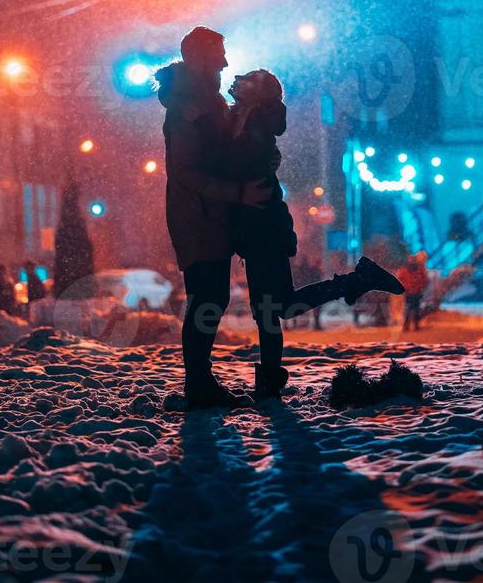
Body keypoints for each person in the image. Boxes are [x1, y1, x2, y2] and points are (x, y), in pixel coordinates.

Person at [224, 69, 406, 400]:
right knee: (269, 310)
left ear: (259, 94)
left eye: (247, 82)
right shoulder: (252, 119)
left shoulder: (255, 122)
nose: (237, 85)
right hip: (257, 227)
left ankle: (355, 281)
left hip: (262, 228)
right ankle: (269, 382)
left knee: (277, 307)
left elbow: (241, 167)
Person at [156, 27, 271, 410]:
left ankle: (201, 382)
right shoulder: (188, 106)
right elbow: (186, 171)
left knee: (211, 297)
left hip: (210, 215)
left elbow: (222, 154)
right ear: (198, 59)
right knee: (207, 298)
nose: (224, 62)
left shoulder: (206, 100)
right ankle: (199, 385)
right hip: (198, 217)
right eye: (217, 55)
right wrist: (237, 193)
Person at [397, 251, 429, 332]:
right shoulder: (418, 269)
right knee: (414, 309)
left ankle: (408, 326)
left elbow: (400, 279)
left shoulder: (406, 269)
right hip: (414, 291)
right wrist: (420, 287)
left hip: (411, 291)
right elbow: (424, 279)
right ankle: (412, 326)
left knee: (410, 309)